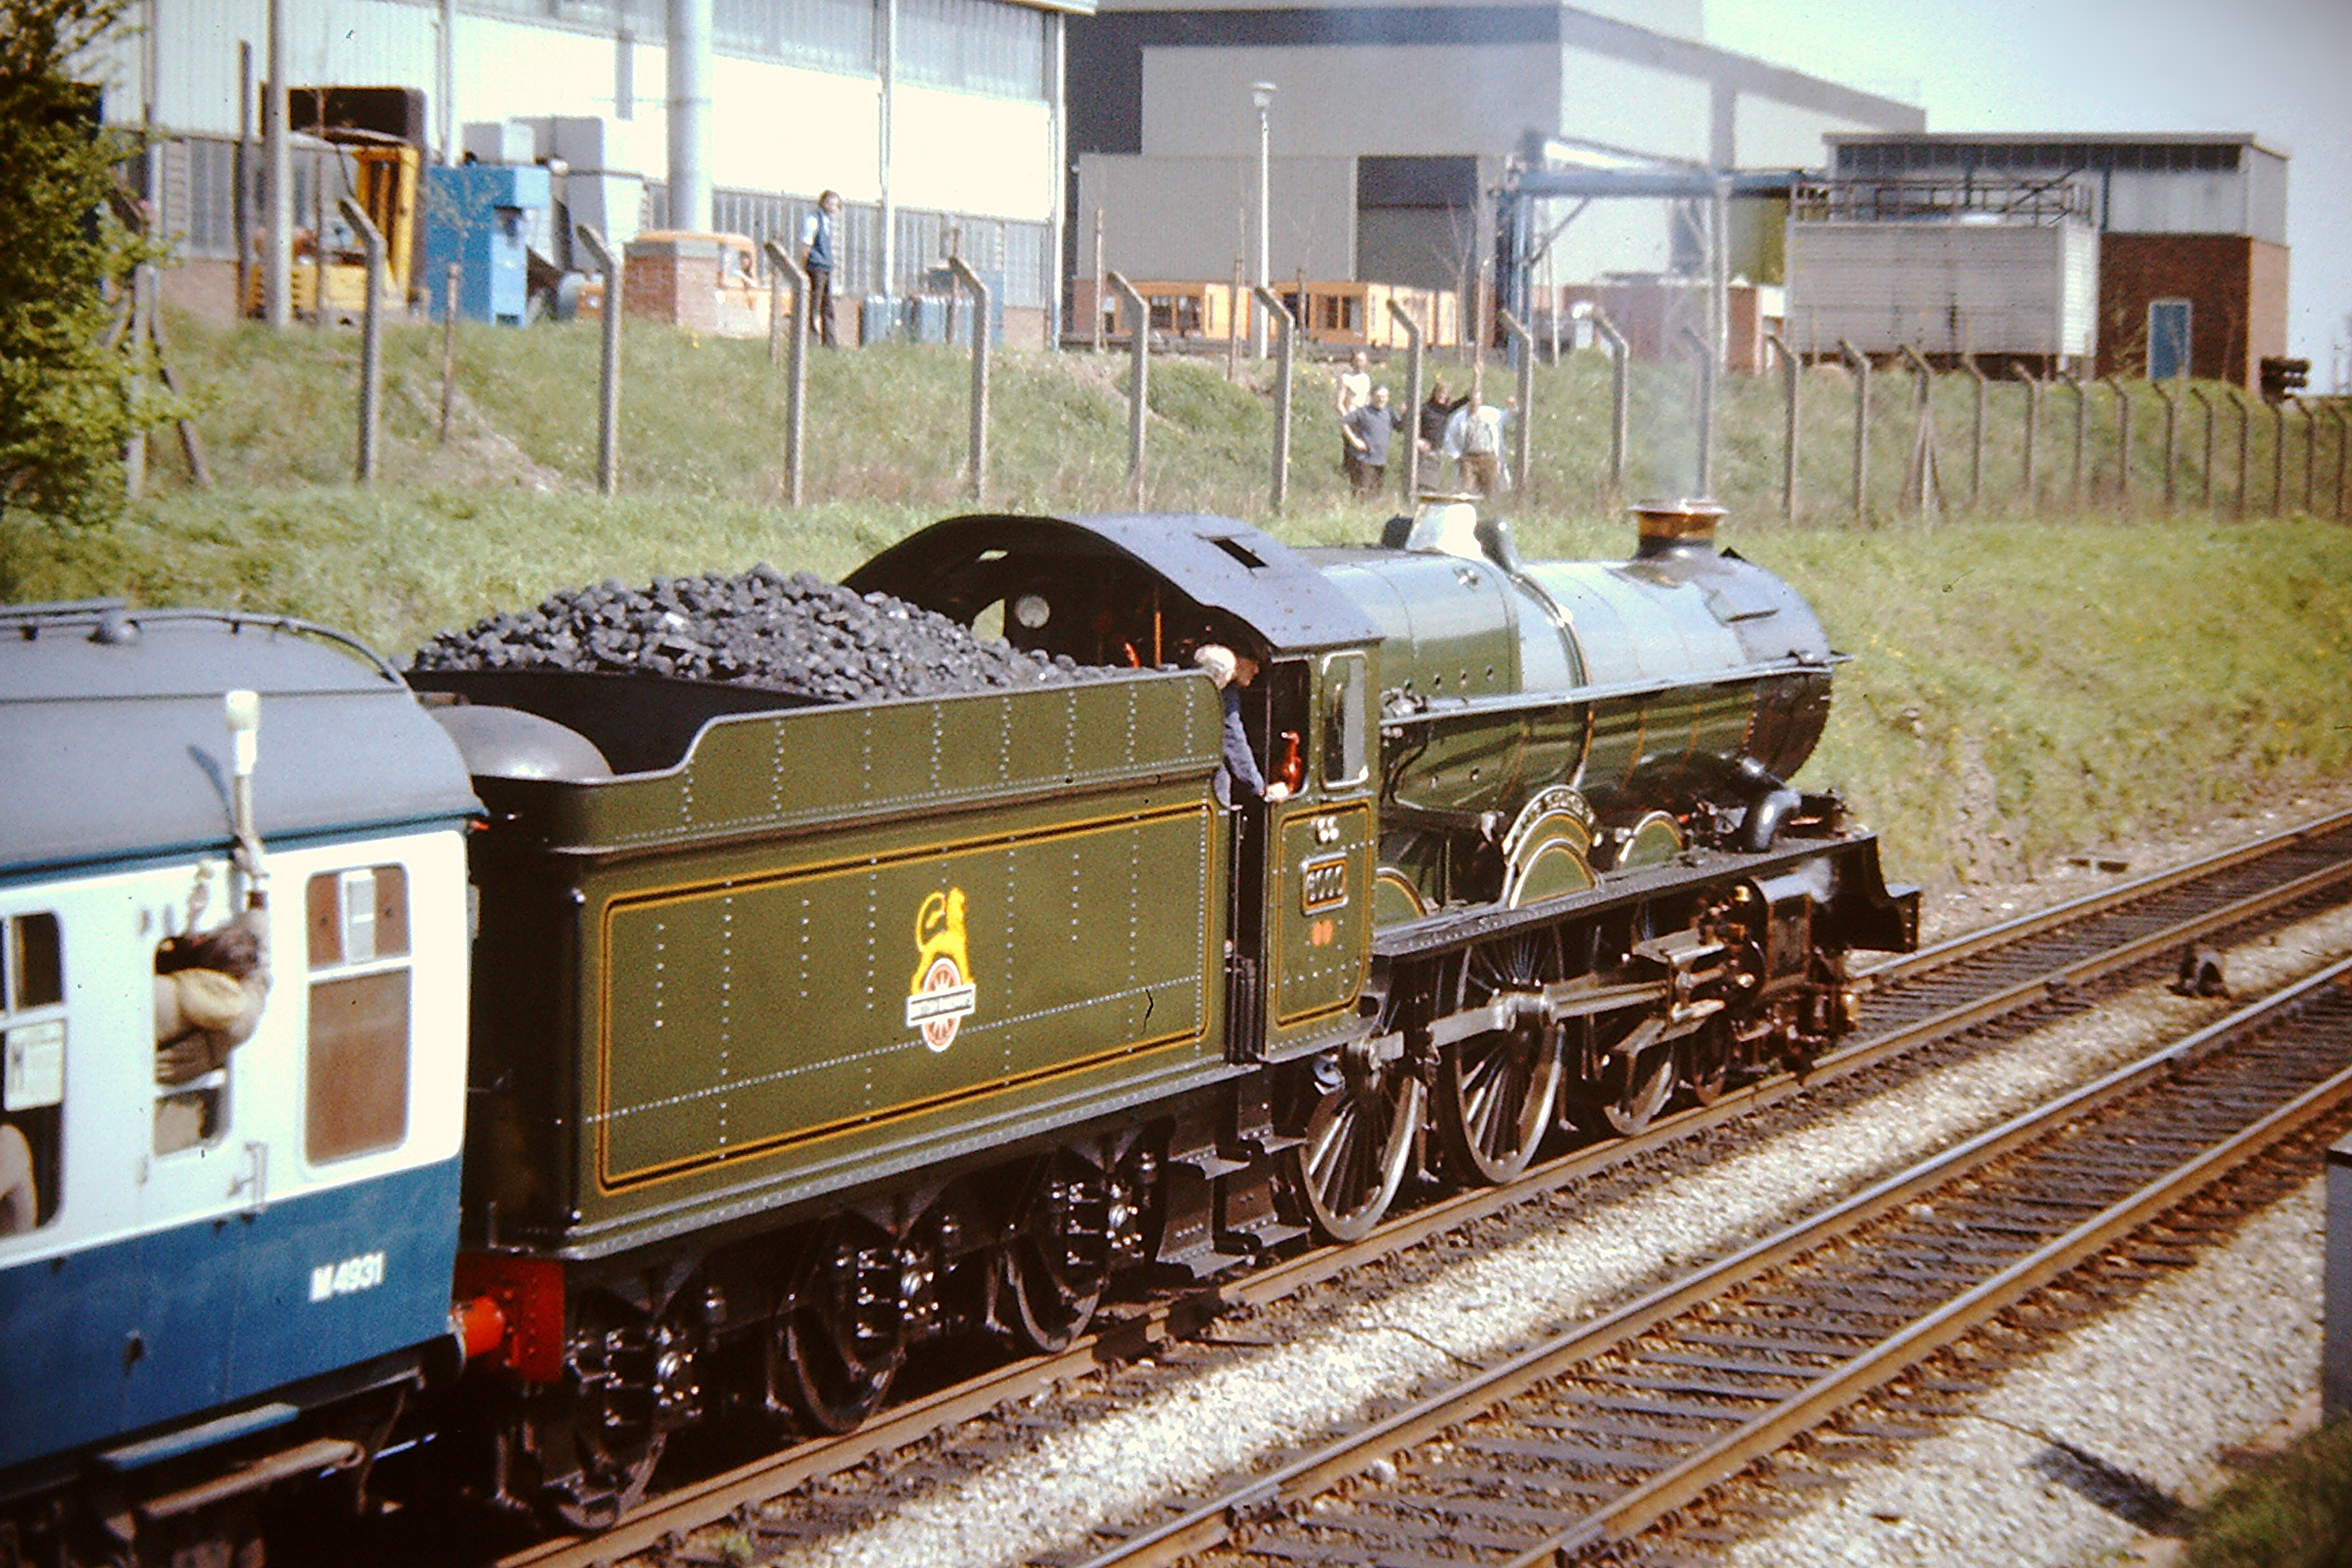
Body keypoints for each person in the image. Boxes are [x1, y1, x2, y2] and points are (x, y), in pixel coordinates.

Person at [1193, 644, 1291, 808]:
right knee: (1220, 778)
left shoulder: (1229, 690)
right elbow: (1232, 738)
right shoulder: (1222, 693)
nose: (1257, 671)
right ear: (1237, 659)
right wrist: (1260, 789)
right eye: (1255, 663)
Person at [1443, 388, 1509, 496]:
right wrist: (1456, 455)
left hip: (1488, 457)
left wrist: (1512, 408)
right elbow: (1449, 437)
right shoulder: (1460, 418)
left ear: (1480, 401)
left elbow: (1507, 417)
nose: (1474, 404)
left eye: (1476, 401)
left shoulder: (1489, 413)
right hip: (1469, 458)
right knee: (1466, 490)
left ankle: (1487, 512)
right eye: (1471, 401)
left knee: (1490, 490)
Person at [800, 190, 842, 346]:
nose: (834, 208)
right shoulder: (813, 219)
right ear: (823, 203)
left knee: (827, 306)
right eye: (831, 204)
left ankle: (830, 343)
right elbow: (806, 246)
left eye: (836, 205)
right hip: (816, 267)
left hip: (826, 267)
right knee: (814, 305)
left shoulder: (827, 221)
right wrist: (803, 267)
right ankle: (810, 342)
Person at [1341, 385, 1399, 497]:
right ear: (1371, 397)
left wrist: (1406, 414)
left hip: (1381, 461)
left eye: (1384, 396)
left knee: (1376, 496)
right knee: (1361, 494)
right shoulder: (1363, 412)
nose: (1381, 399)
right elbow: (1344, 422)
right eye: (1378, 396)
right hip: (1364, 460)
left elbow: (1401, 427)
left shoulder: (1389, 413)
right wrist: (1354, 441)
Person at [1418, 378, 1466, 464]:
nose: (1442, 396)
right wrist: (1418, 441)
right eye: (1439, 393)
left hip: (1437, 451)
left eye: (1445, 394)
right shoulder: (1425, 409)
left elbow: (1466, 399)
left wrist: (1477, 377)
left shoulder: (1446, 409)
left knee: (1434, 476)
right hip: (1423, 451)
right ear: (1434, 394)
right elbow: (1412, 425)